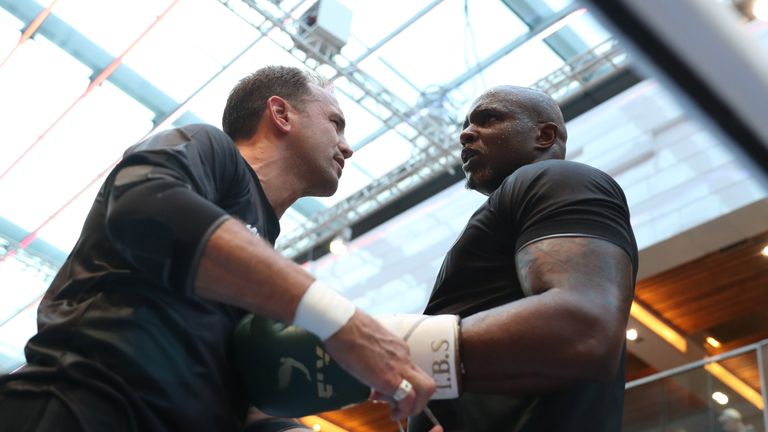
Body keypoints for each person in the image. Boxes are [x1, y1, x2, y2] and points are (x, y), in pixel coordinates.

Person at [0, 65, 437, 432]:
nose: (348, 146)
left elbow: (248, 401)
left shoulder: (262, 260)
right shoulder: (211, 151)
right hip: (77, 410)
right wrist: (341, 322)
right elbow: (145, 205)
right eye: (335, 123)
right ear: (281, 114)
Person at [406, 85, 638, 431]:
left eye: (489, 119)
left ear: (544, 135)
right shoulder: (515, 204)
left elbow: (585, 327)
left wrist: (401, 347)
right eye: (466, 125)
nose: (466, 134)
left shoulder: (557, 177)